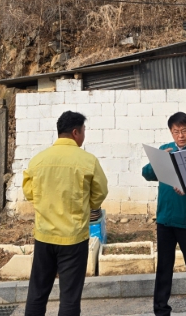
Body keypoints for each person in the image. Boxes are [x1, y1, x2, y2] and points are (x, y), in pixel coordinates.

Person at [22, 110, 108, 316]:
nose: (84, 135)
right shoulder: (88, 161)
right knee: (69, 298)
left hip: (44, 236)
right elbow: (100, 193)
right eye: (84, 131)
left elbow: (29, 192)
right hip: (73, 238)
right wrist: (86, 205)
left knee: (37, 293)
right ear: (76, 132)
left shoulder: (38, 160)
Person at [142, 112, 186, 316]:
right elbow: (146, 174)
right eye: (176, 131)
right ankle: (161, 309)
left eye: (184, 131)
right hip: (165, 220)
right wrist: (158, 160)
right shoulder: (166, 150)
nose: (180, 135)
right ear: (170, 132)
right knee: (164, 266)